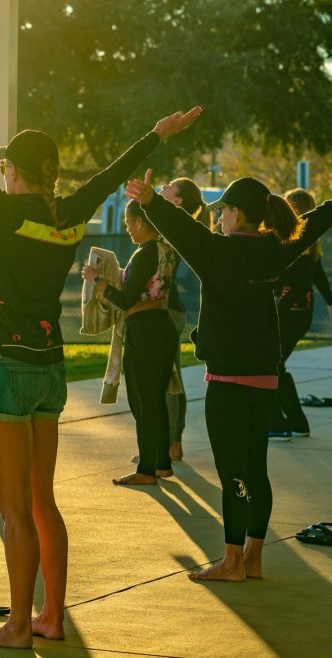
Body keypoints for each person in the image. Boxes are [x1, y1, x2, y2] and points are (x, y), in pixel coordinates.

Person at [0, 73, 200, 647]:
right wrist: (156, 135)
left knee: (14, 511)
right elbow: (108, 177)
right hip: (50, 367)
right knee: (42, 502)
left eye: (6, 166)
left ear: (15, 170)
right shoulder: (68, 215)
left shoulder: (7, 214)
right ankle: (50, 617)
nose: (1, 174)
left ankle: (16, 627)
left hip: (7, 366)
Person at [125, 172, 332, 582]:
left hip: (228, 381)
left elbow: (180, 227)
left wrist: (150, 199)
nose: (219, 219)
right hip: (265, 376)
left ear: (236, 214)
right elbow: (319, 219)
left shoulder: (215, 252)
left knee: (233, 473)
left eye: (222, 212)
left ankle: (232, 562)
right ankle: (253, 557)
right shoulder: (276, 251)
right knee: (256, 468)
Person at [83, 201, 178, 485]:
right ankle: (161, 462)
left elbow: (125, 300)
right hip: (163, 326)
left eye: (128, 222)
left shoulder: (145, 253)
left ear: (139, 222)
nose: (126, 228)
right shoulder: (166, 250)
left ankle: (146, 470)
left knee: (142, 401)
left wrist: (98, 280)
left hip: (145, 330)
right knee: (156, 399)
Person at [268, 188, 332, 439]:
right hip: (300, 312)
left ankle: (280, 423)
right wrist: (329, 301)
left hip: (288, 311)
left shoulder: (293, 243)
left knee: (269, 363)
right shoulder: (310, 245)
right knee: (276, 364)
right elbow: (319, 277)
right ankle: (295, 421)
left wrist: (276, 310)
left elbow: (303, 280)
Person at [158, 178, 212, 460]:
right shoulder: (176, 228)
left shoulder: (174, 230)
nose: (162, 187)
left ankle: (170, 443)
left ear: (176, 202)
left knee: (166, 379)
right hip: (171, 309)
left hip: (168, 310)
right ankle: (171, 442)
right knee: (171, 376)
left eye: (168, 186)